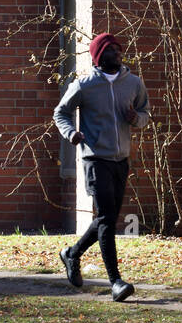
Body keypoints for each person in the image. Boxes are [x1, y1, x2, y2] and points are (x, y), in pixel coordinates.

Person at [53, 32, 150, 302]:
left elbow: (145, 113)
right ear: (99, 57)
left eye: (118, 50)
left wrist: (136, 119)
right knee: (107, 218)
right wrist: (71, 133)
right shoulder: (84, 86)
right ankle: (115, 281)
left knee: (106, 219)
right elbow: (61, 112)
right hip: (95, 158)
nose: (117, 54)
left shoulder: (133, 83)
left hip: (121, 159)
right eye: (110, 51)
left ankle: (72, 254)